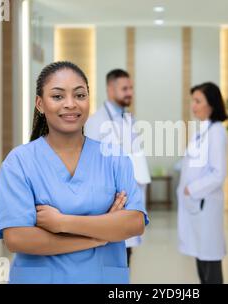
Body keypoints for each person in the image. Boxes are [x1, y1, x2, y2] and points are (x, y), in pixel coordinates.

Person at [0, 61, 148, 284]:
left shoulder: (115, 158)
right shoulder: (19, 162)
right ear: (40, 103)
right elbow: (17, 238)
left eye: (79, 95)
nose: (70, 104)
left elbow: (134, 223)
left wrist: (62, 222)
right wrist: (99, 236)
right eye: (57, 96)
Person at [85, 69, 151, 266]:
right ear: (110, 89)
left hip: (129, 202)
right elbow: (91, 167)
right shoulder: (96, 123)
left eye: (131, 88)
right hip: (110, 206)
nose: (129, 92)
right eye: (124, 88)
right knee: (110, 264)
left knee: (125, 259)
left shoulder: (127, 119)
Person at [176, 82, 228, 284]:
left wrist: (191, 189)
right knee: (202, 259)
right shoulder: (203, 130)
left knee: (210, 262)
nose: (193, 106)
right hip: (197, 205)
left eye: (198, 101)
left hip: (205, 204)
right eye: (193, 101)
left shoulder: (216, 132)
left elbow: (218, 173)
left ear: (212, 104)